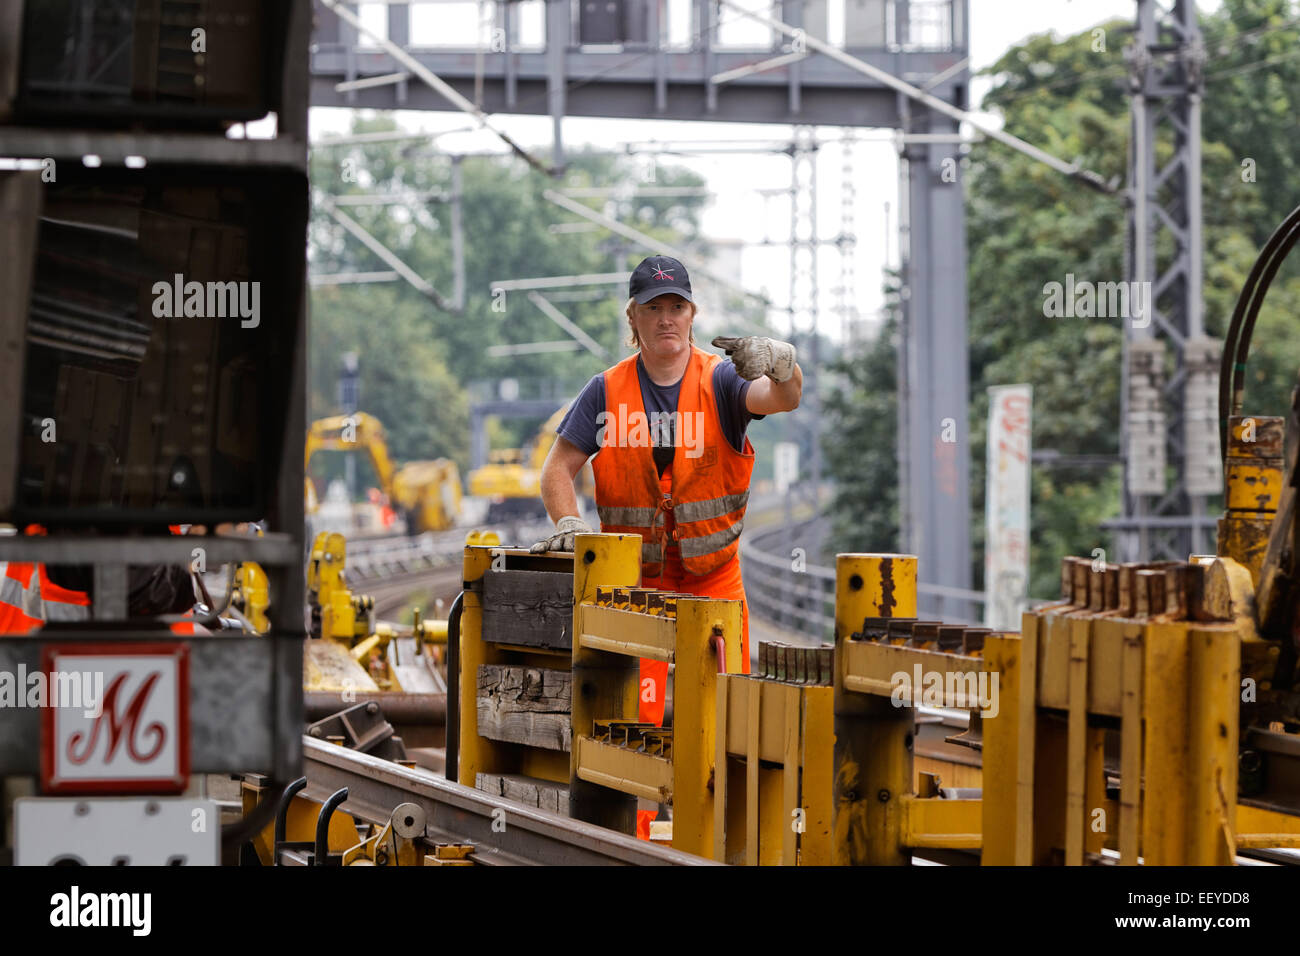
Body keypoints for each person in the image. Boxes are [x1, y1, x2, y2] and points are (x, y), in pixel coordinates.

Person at [531, 254, 802, 724]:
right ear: (633, 317)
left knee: (728, 719)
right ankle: (641, 801)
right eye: (653, 308)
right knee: (634, 716)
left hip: (714, 577)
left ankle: (715, 798)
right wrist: (569, 523)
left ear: (691, 315)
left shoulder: (722, 381)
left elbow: (782, 398)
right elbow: (557, 469)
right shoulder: (605, 392)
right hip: (636, 582)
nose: (665, 319)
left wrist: (783, 364)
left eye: (676, 307)